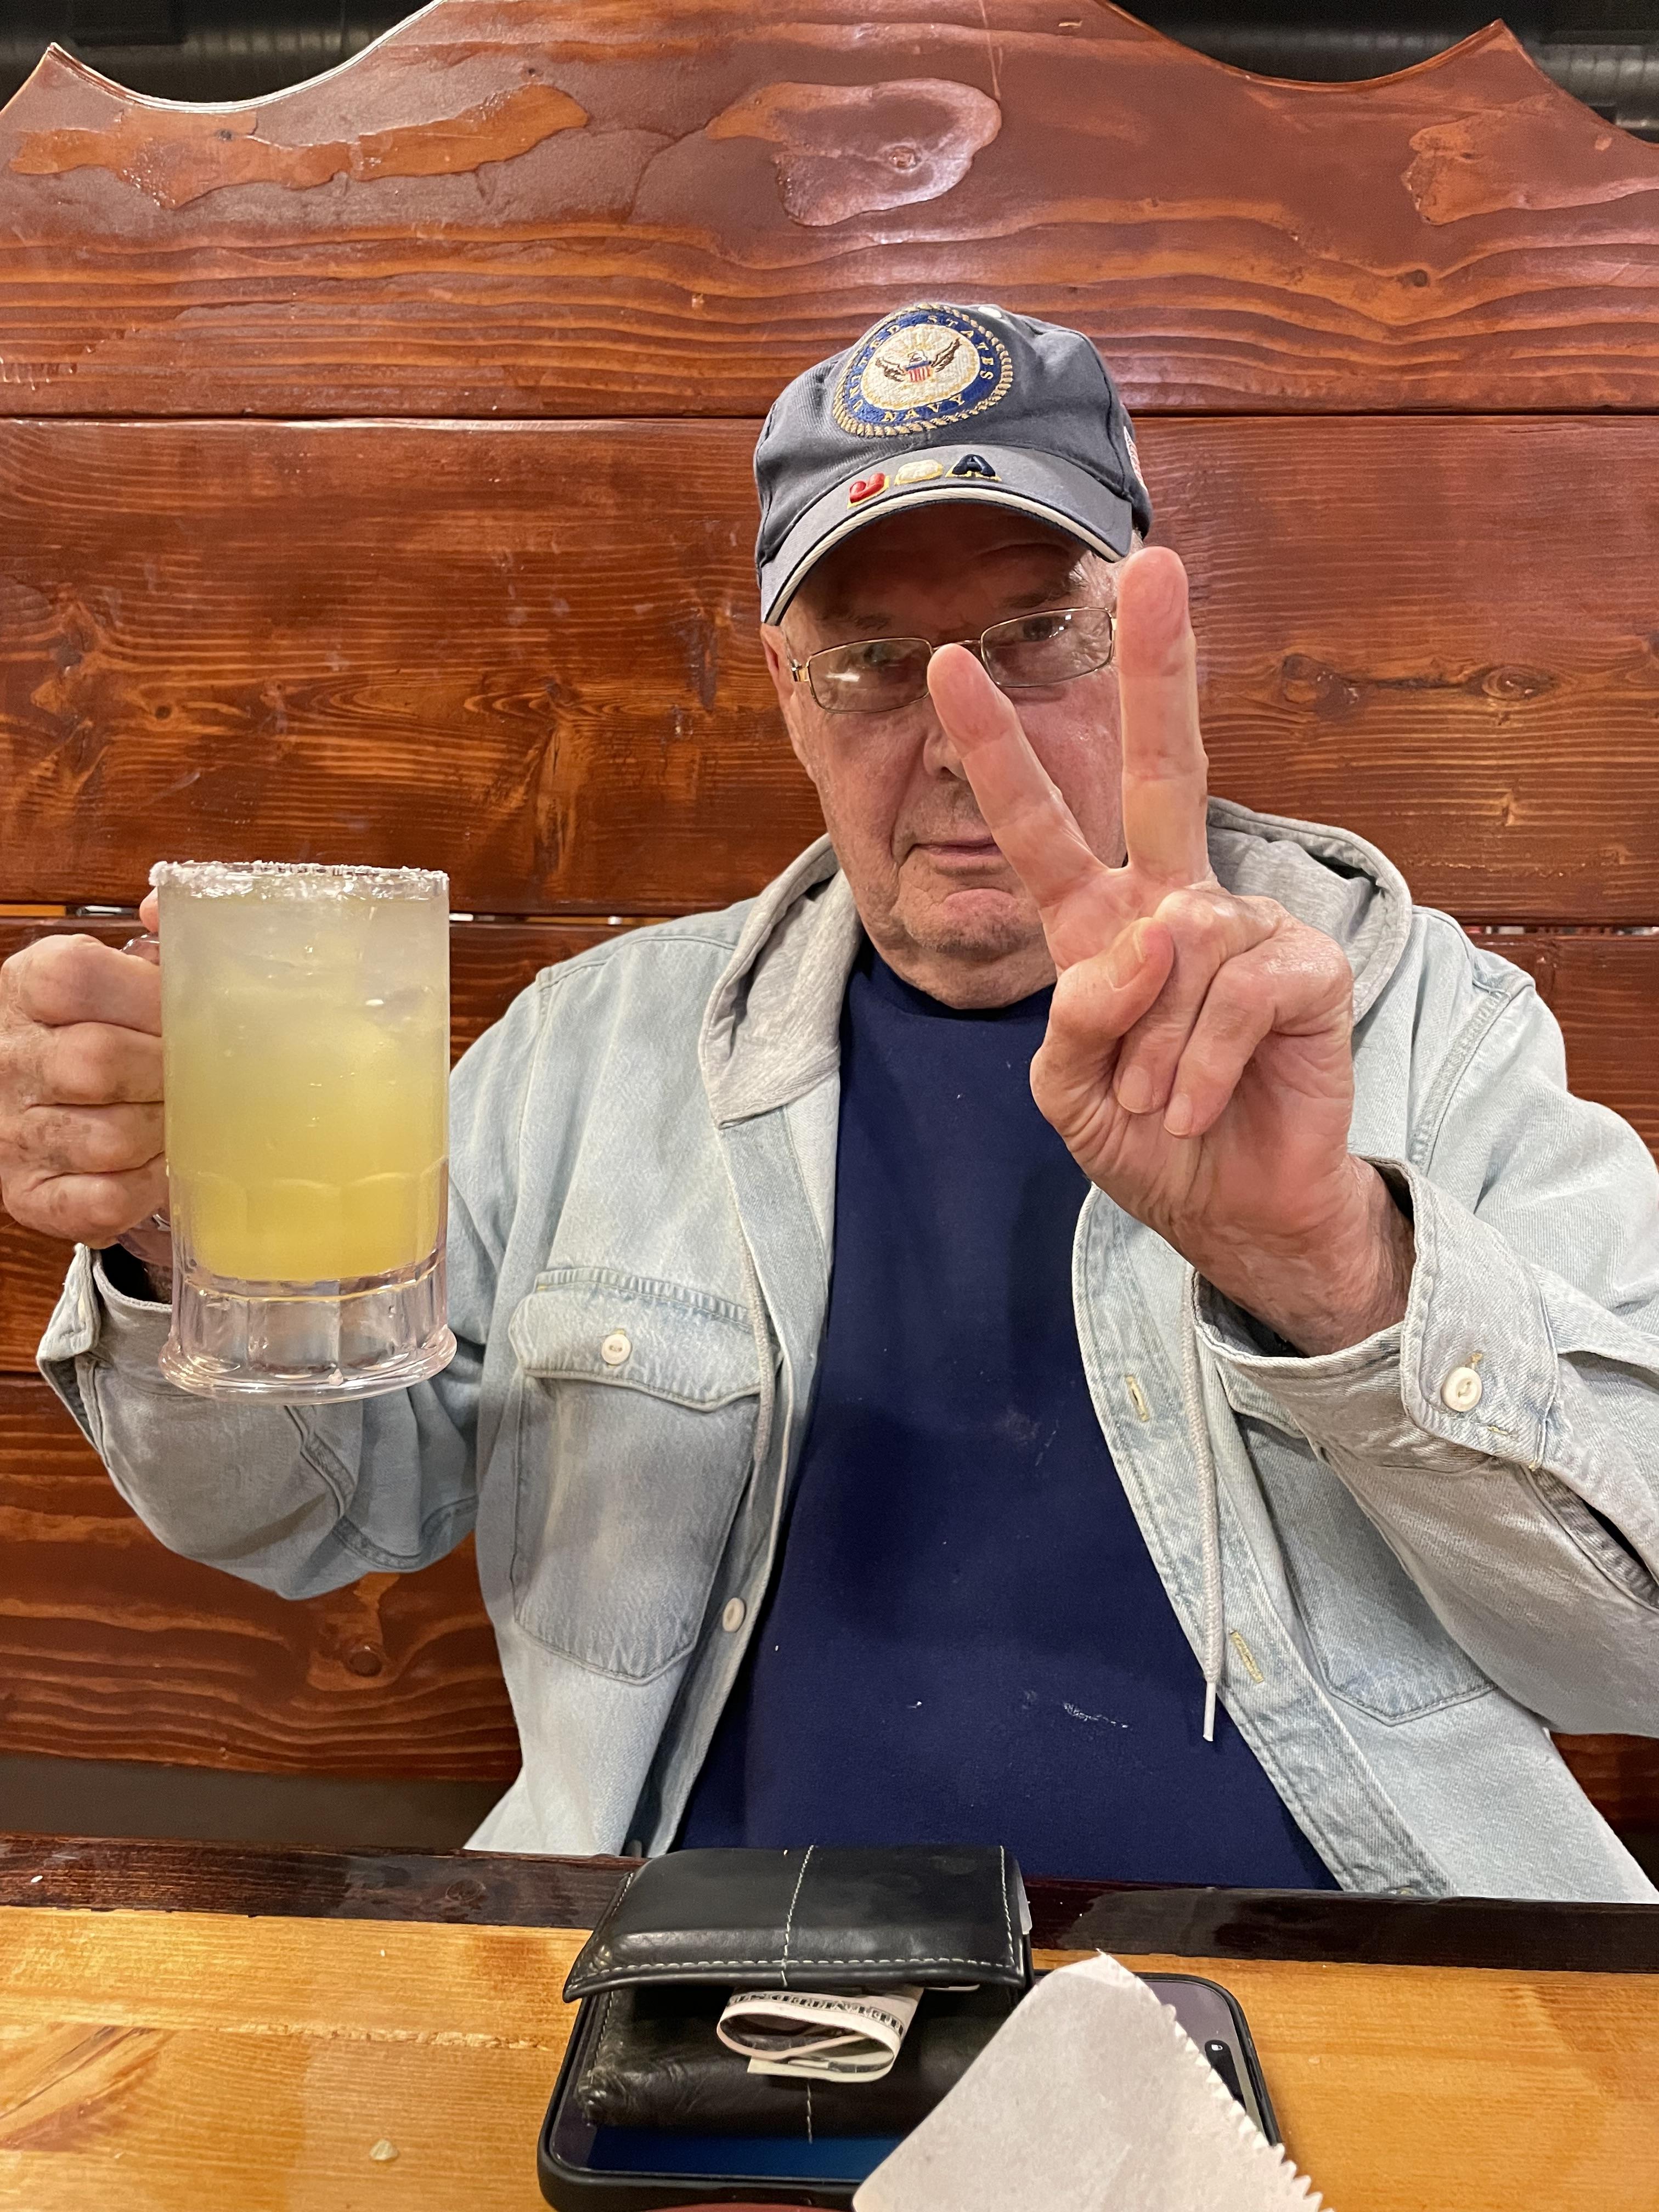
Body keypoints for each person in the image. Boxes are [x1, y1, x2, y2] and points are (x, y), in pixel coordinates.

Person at [3, 302, 1656, 1899]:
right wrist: (176, 1233)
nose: (965, 738)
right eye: (873, 662)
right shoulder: (586, 1053)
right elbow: (314, 1510)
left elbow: (1634, 1648)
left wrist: (1337, 1265)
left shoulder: (1421, 1021)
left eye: (1033, 638)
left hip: (1337, 1987)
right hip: (698, 1997)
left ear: (1149, 641)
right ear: (786, 692)